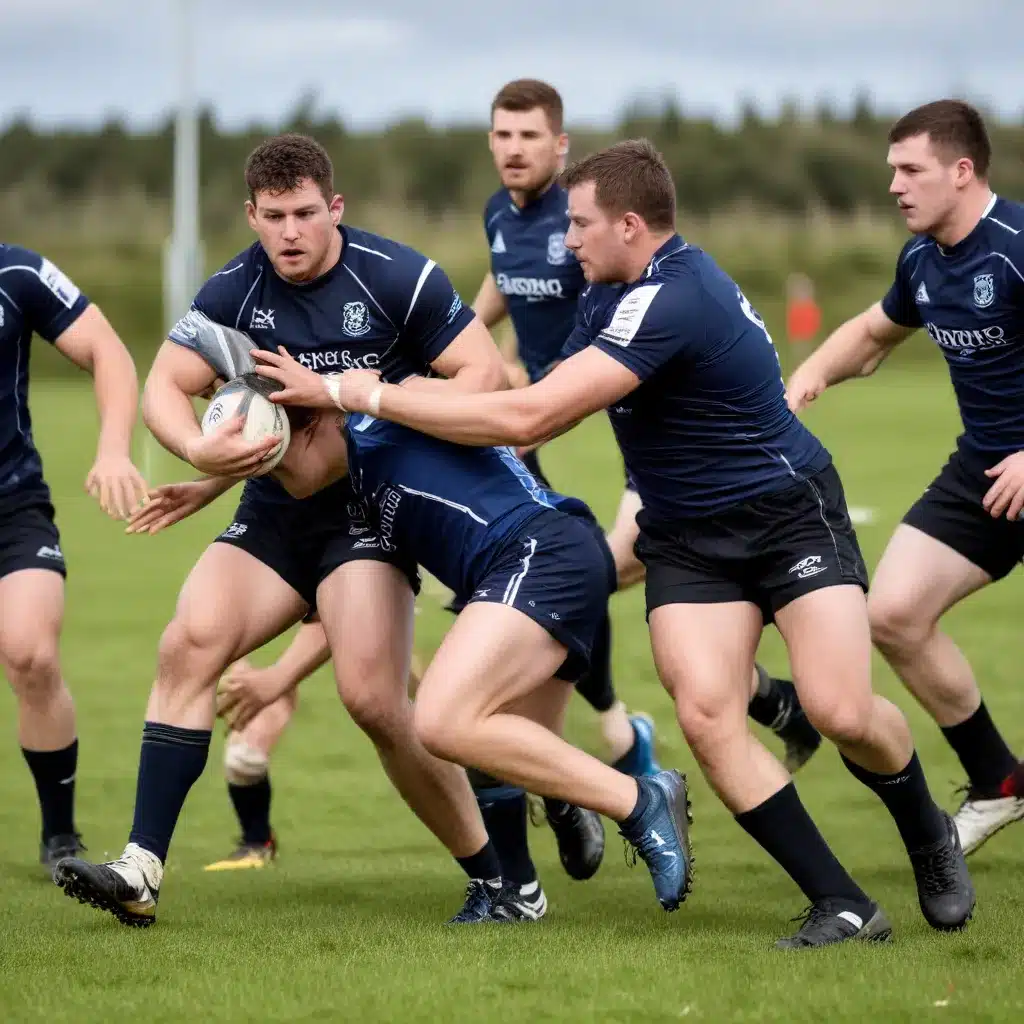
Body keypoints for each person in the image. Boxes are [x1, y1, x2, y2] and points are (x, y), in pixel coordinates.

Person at [322, 138, 976, 949]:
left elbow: (533, 415)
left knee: (842, 709)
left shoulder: (674, 299)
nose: (568, 242)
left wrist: (369, 395)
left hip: (786, 515)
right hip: (685, 536)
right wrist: (426, 396)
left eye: (581, 225)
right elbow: (531, 392)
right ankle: (841, 901)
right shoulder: (610, 294)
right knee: (706, 716)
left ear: (631, 226)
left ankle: (927, 832)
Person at [52, 133, 524, 927]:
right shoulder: (234, 290)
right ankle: (141, 871)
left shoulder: (393, 276)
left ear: (335, 208)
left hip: (369, 514)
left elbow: (480, 374)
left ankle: (500, 879)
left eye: (307, 213)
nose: (292, 232)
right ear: (253, 215)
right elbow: (168, 382)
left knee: (373, 700)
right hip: (273, 514)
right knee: (187, 645)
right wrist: (202, 449)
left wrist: (362, 419)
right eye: (274, 216)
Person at [238, 344, 695, 922]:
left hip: (541, 552)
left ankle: (638, 798)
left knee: (442, 718)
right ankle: (520, 891)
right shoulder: (349, 480)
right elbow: (341, 622)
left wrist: (352, 389)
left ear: (314, 426)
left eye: (277, 460)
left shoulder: (386, 417)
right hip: (524, 569)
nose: (275, 476)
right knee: (486, 737)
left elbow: (481, 382)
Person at [474, 77, 820, 778]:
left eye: (530, 136)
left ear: (560, 143)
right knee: (574, 575)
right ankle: (726, 708)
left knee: (589, 572)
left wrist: (527, 407)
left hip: (614, 414)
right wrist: (466, 354)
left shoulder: (585, 227)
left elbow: (620, 333)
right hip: (547, 408)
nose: (514, 150)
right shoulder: (499, 218)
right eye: (503, 135)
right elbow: (499, 294)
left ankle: (606, 739)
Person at [785, 99, 1024, 856]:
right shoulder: (922, 260)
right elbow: (873, 333)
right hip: (985, 468)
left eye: (910, 169)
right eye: (892, 169)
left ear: (962, 171)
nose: (895, 185)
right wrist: (806, 381)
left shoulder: (1017, 246)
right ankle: (1000, 783)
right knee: (891, 614)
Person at [0, 243, 148, 869]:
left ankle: (59, 834)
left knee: (30, 652)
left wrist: (114, 448)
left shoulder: (16, 274)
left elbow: (106, 350)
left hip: (12, 504)